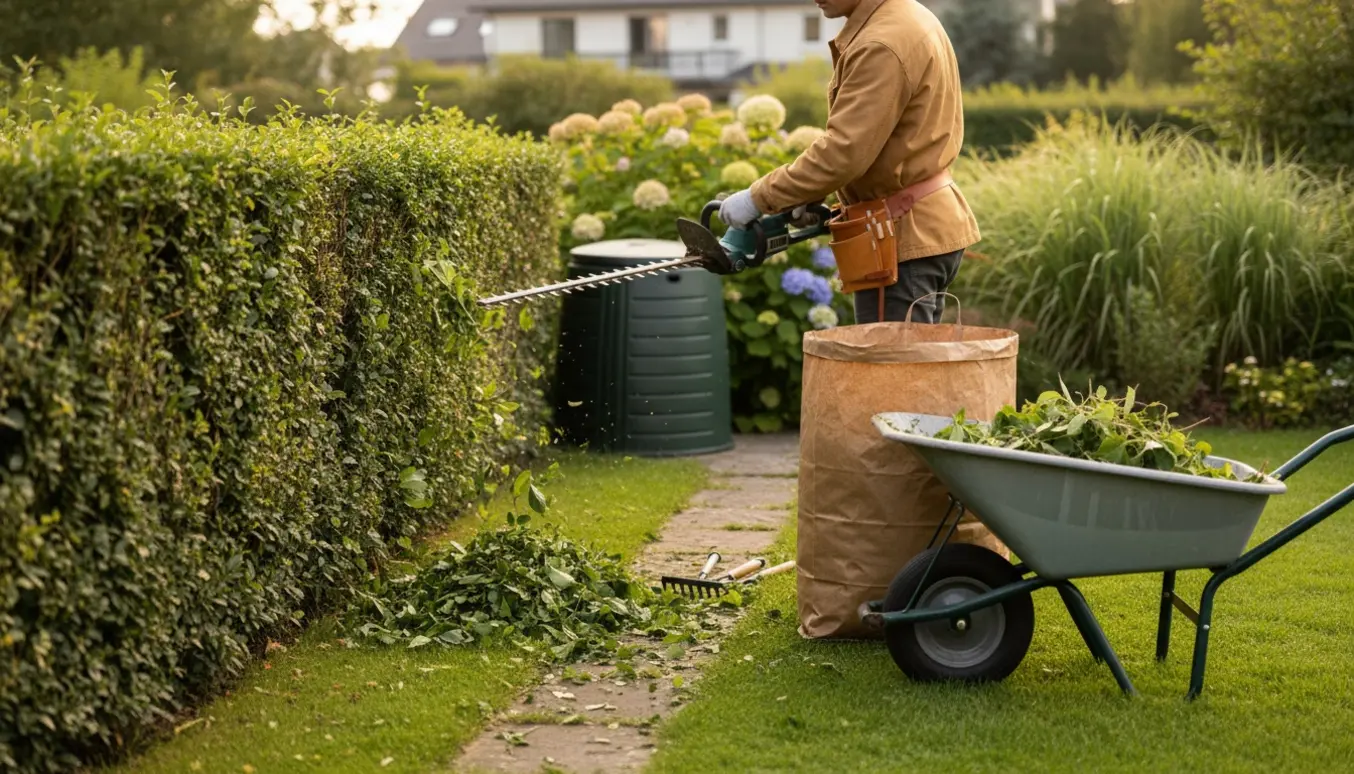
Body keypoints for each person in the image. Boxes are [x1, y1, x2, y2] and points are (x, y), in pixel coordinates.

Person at [718, 0, 979, 325]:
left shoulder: (880, 44)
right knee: (917, 370)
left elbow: (843, 153)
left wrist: (757, 198)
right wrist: (809, 196)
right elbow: (888, 144)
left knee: (888, 371)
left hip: (897, 238)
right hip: (921, 221)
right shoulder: (908, 15)